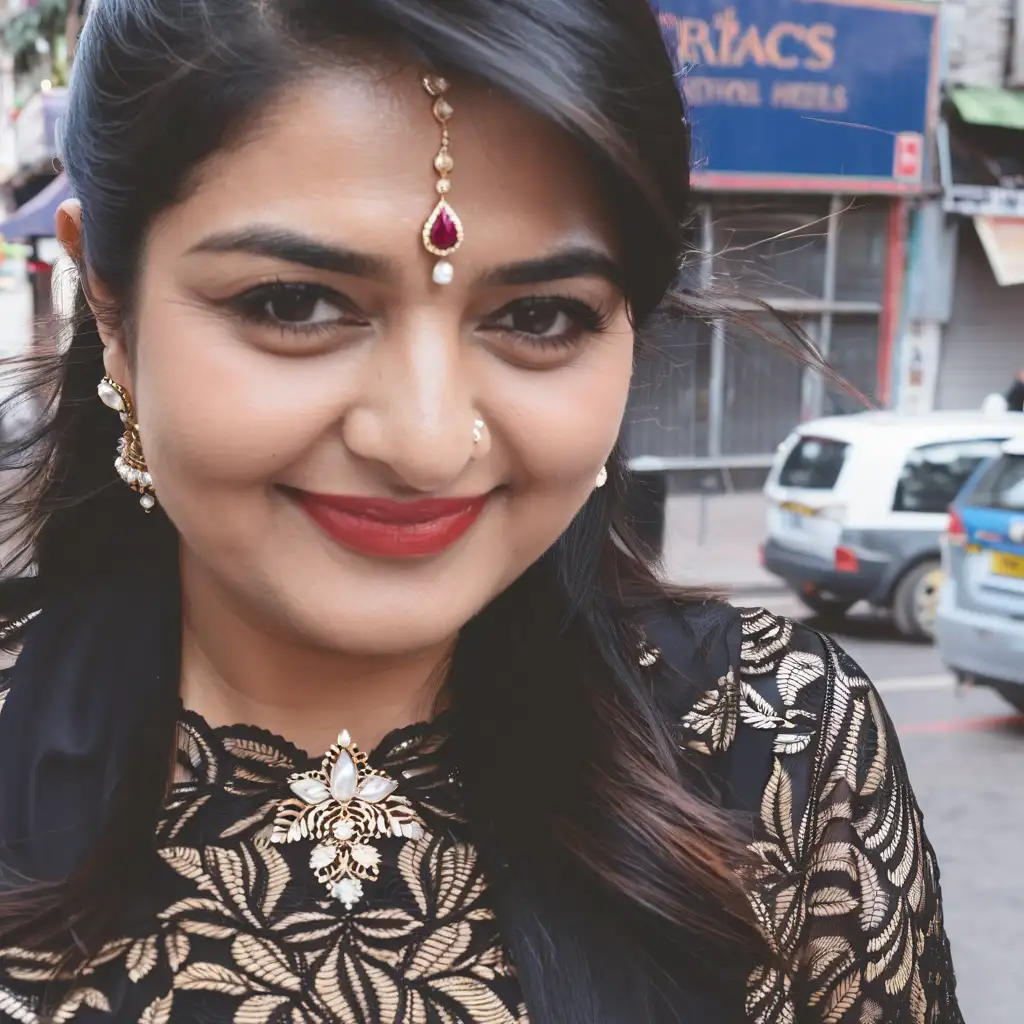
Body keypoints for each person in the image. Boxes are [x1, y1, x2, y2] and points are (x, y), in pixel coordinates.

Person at [0, 1, 962, 1022]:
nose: (424, 443)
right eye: (295, 304)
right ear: (109, 303)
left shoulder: (777, 748)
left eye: (539, 317)